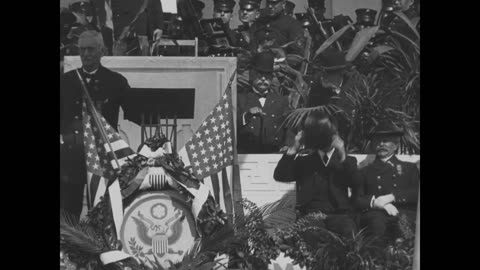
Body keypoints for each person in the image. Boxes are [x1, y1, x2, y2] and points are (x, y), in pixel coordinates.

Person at [60, 30, 131, 219]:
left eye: (90, 49)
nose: (85, 54)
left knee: (103, 208)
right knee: (69, 208)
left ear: (102, 51)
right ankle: (70, 246)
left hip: (103, 154)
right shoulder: (65, 81)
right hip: (71, 154)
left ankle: (102, 245)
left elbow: (134, 110)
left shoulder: (116, 81)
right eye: (82, 50)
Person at [273, 110, 359, 237]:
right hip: (310, 215)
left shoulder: (347, 161)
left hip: (338, 215)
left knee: (348, 231)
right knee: (311, 233)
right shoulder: (304, 161)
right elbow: (280, 175)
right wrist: (294, 147)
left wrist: (342, 152)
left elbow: (356, 184)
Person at [354, 122, 419, 246]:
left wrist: (392, 197)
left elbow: (416, 193)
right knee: (376, 223)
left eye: (386, 140)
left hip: (402, 212)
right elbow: (356, 199)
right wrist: (376, 203)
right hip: (375, 214)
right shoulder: (365, 171)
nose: (381, 144)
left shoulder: (409, 168)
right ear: (372, 145)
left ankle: (403, 259)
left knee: (404, 224)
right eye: (377, 141)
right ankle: (376, 261)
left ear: (396, 145)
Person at [237, 51, 291, 153]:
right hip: (246, 156)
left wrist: (288, 144)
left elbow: (290, 127)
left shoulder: (282, 100)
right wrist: (246, 115)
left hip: (275, 155)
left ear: (271, 77)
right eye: (259, 74)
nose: (263, 78)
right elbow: (230, 125)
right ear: (252, 74)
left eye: (267, 75)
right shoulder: (240, 99)